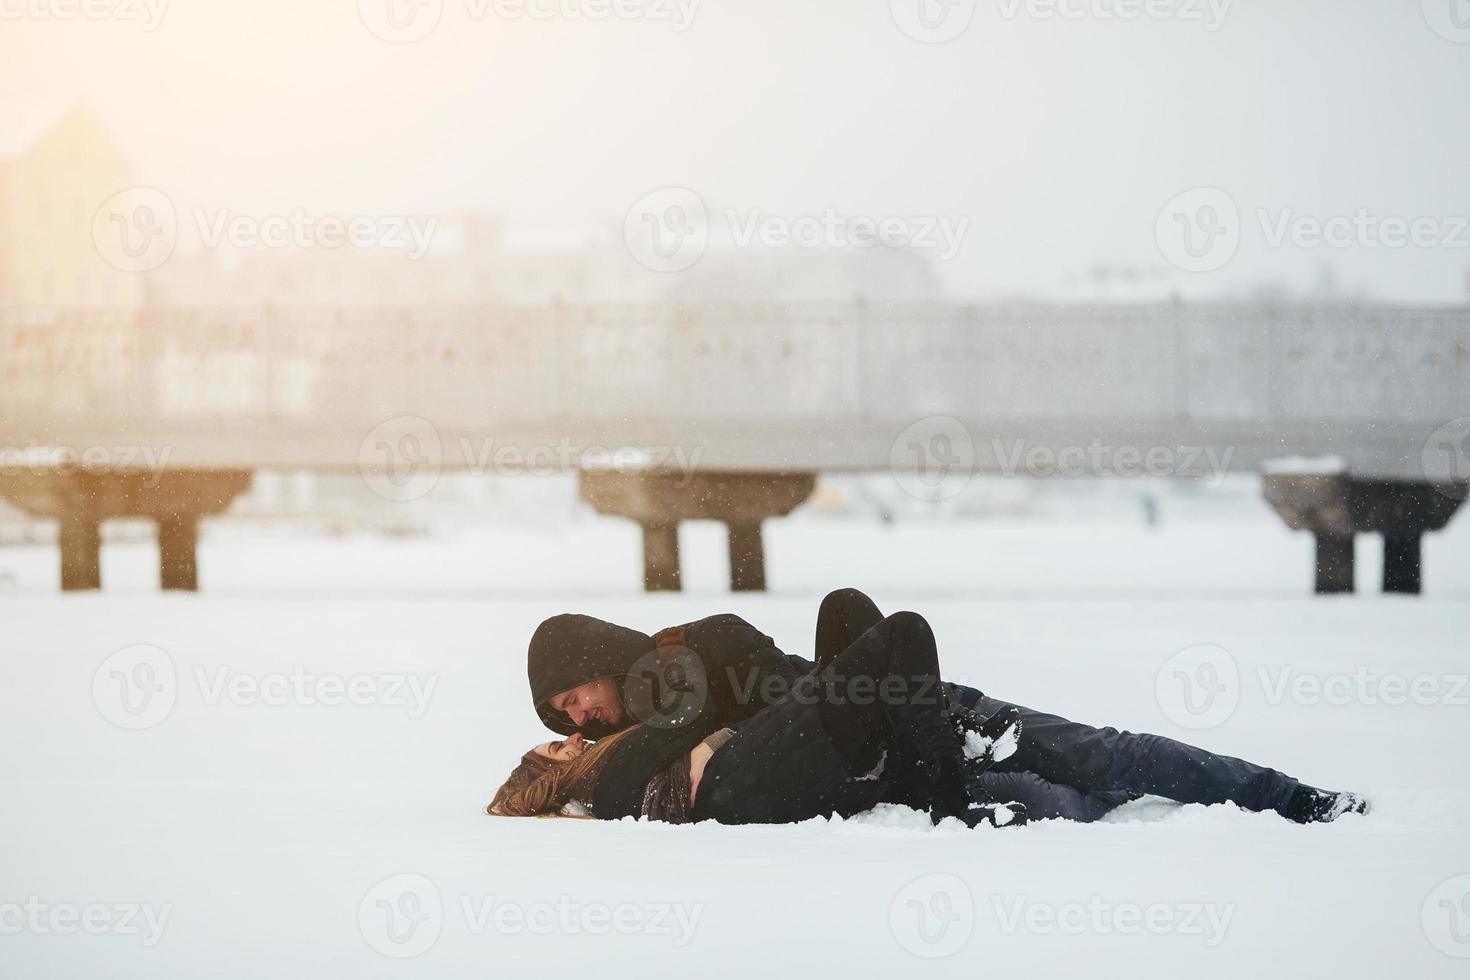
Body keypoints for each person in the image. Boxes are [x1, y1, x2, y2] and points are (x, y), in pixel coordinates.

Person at [524, 588, 1369, 824]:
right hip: (897, 752)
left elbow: (792, 692)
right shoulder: (642, 735)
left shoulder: (692, 647)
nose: (580, 719)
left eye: (575, 697)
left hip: (924, 714)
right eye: (565, 720)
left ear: (595, 658)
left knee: (1102, 755)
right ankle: (1165, 804)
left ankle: (1291, 797)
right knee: (1073, 800)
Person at [492, 610, 1027, 827]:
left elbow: (697, 716)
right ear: (555, 780)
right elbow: (694, 716)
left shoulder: (621, 758)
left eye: (573, 703)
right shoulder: (610, 780)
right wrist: (680, 651)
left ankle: (930, 748)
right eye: (561, 736)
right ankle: (950, 797)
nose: (578, 729)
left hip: (796, 734)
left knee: (848, 609)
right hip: (797, 750)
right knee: (903, 630)